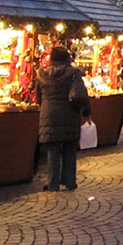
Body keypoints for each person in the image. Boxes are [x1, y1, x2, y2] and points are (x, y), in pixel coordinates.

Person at [36, 47, 91, 191]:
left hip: (49, 114)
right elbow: (81, 95)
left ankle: (53, 183)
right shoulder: (73, 73)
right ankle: (70, 181)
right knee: (69, 149)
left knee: (52, 151)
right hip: (70, 114)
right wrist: (86, 112)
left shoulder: (41, 74)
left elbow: (38, 97)